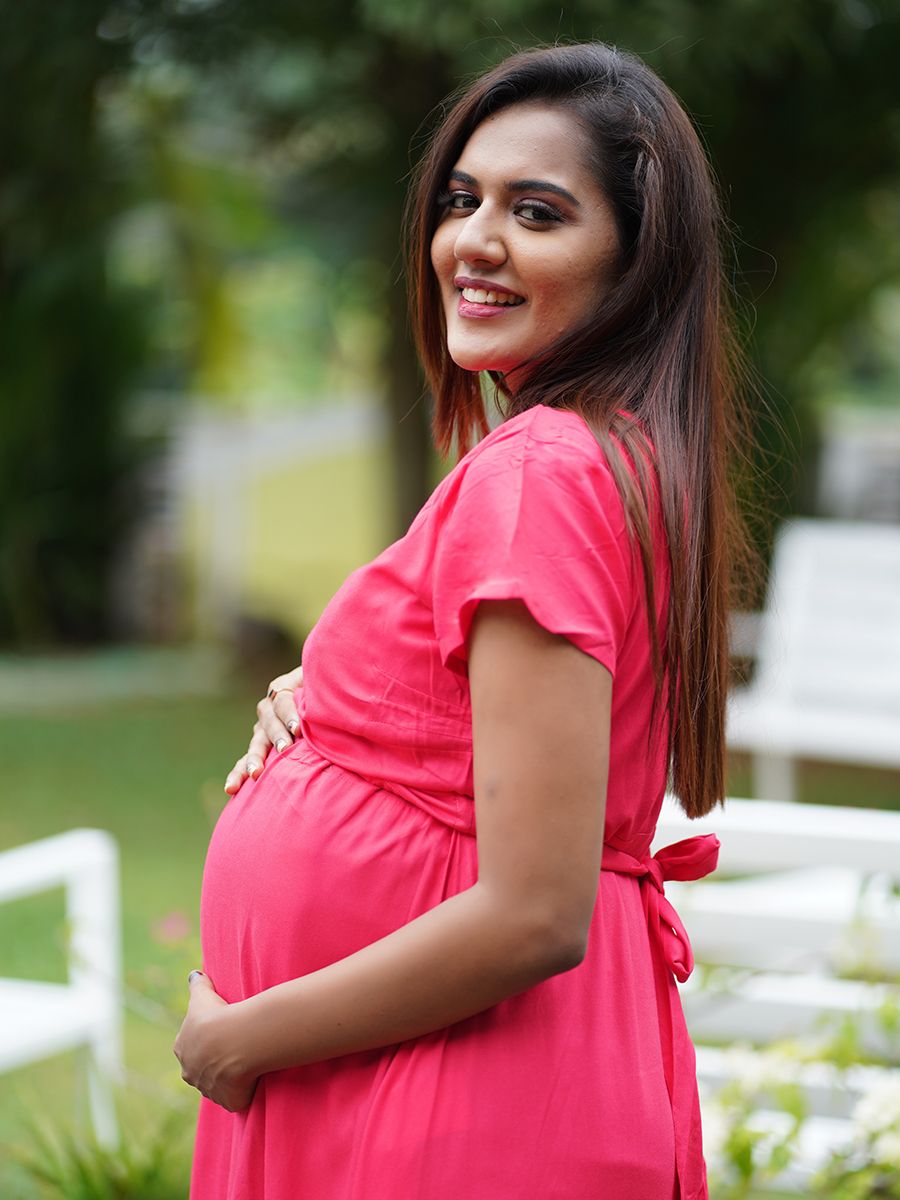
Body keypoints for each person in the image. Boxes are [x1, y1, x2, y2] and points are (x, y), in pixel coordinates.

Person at [175, 39, 750, 1200]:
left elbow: (534, 914)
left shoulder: (543, 469)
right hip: (440, 1086)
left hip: (451, 1101)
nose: (472, 241)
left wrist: (234, 1042)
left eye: (536, 213)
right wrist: (338, 704)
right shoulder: (611, 456)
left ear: (635, 262)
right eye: (461, 199)